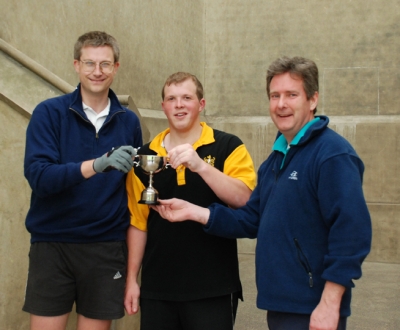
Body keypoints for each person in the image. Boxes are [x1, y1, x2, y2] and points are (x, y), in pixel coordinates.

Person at [152, 57, 372, 330]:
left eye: (292, 95)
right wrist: (197, 213)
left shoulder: (331, 154)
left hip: (313, 305)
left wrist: (330, 301)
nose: (281, 104)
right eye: (274, 95)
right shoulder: (276, 160)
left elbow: (352, 231)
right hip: (280, 303)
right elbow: (250, 219)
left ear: (312, 99)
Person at [22, 31, 143, 330]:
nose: (97, 71)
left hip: (106, 247)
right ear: (76, 65)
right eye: (89, 63)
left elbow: (135, 186)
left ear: (116, 67)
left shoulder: (129, 122)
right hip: (52, 245)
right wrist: (96, 165)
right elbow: (40, 177)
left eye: (105, 64)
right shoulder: (48, 113)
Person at [124, 72, 256, 329]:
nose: (179, 104)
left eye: (187, 97)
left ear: (201, 104)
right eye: (171, 99)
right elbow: (138, 224)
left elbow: (244, 199)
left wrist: (200, 166)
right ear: (163, 107)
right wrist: (132, 279)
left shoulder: (228, 146)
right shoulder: (145, 156)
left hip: (213, 287)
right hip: (158, 288)